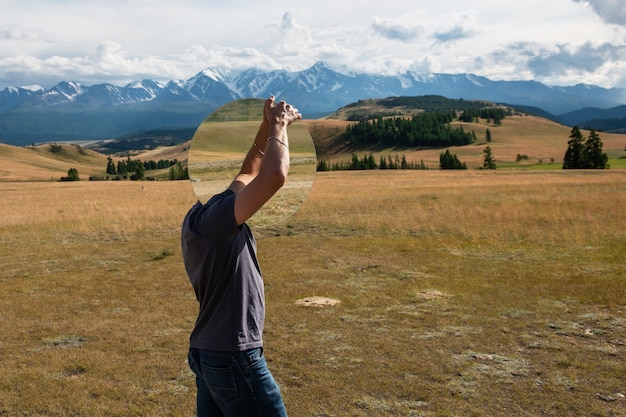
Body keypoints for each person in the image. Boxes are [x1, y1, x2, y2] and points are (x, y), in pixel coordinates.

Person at [181, 96, 301, 417]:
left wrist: (264, 128)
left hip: (209, 351)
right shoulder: (216, 220)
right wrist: (279, 125)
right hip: (234, 356)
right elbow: (274, 176)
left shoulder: (204, 214)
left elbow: (250, 169)